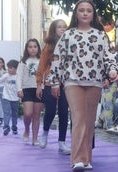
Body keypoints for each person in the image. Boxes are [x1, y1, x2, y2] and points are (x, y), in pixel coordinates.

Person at [49, 0, 118, 171]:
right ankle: (77, 159)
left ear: (93, 13)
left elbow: (109, 56)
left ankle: (86, 159)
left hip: (94, 81)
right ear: (76, 14)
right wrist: (54, 82)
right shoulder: (68, 35)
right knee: (79, 118)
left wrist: (112, 70)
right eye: (81, 10)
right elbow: (58, 59)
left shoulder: (101, 35)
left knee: (89, 121)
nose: (85, 13)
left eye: (89, 10)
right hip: (73, 81)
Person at [36, 19, 70, 154]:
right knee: (50, 110)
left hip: (65, 82)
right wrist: (39, 84)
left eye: (64, 27)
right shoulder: (48, 47)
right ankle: (45, 133)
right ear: (54, 29)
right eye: (59, 27)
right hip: (50, 82)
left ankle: (62, 142)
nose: (62, 29)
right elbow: (41, 66)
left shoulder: (69, 44)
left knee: (63, 112)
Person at [16, 38, 44, 146]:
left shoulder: (42, 61)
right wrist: (19, 89)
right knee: (28, 113)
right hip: (26, 89)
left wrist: (41, 87)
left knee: (36, 115)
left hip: (39, 89)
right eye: (30, 47)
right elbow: (18, 76)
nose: (33, 49)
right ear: (27, 49)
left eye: (35, 47)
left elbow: (44, 75)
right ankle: (27, 129)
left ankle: (35, 138)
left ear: (38, 48)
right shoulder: (23, 62)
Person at [0, 60, 19, 135]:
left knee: (14, 114)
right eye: (8, 68)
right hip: (6, 97)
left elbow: (21, 87)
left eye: (11, 68)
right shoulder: (6, 75)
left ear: (16, 69)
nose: (8, 69)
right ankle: (6, 127)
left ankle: (14, 127)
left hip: (15, 98)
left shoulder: (19, 76)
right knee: (6, 112)